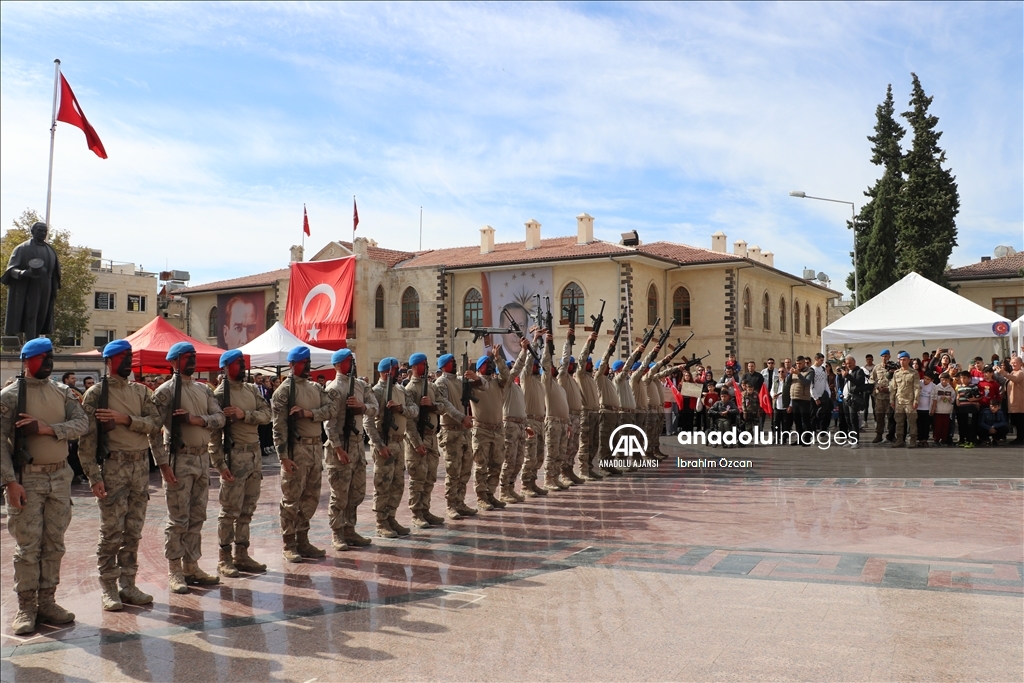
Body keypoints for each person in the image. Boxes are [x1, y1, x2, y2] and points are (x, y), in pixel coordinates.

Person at [1, 338, 88, 634]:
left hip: (60, 477)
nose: (48, 362)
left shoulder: (63, 392)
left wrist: (49, 429)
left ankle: (48, 601)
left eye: (50, 357)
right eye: (41, 357)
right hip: (27, 478)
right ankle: (26, 606)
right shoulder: (11, 396)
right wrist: (10, 482)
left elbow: (82, 424)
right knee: (28, 546)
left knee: (54, 543)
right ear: (27, 361)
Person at [79, 339, 161, 611]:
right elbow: (87, 442)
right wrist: (93, 476)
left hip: (139, 467)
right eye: (123, 357)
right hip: (112, 468)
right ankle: (109, 588)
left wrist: (126, 420)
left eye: (130, 357)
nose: (128, 362)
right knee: (111, 531)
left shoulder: (141, 392)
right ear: (110, 361)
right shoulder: (96, 394)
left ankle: (129, 584)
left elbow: (155, 424)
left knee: (133, 531)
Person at [150, 342, 225, 591]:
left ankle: (192, 565)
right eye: (186, 357)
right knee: (178, 519)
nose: (192, 361)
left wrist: (196, 419)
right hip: (178, 460)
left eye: (193, 356)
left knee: (197, 516)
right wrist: (162, 465)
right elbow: (153, 431)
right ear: (173, 361)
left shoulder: (204, 390)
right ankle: (175, 571)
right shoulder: (166, 392)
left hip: (202, 459)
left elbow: (220, 418)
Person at [210, 349, 272, 577]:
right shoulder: (218, 395)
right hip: (233, 457)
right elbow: (214, 436)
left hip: (254, 455)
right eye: (238, 363)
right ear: (226, 368)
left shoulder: (251, 390)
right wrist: (220, 465)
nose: (243, 367)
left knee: (248, 509)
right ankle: (224, 558)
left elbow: (267, 414)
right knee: (229, 511)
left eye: (243, 362)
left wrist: (244, 414)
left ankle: (242, 554)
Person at [272, 346, 336, 561]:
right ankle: (289, 543)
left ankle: (303, 539)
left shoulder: (316, 388)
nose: (307, 365)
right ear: (292, 365)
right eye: (302, 362)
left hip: (316, 447)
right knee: (292, 498)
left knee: (311, 496)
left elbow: (331, 409)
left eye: (308, 361)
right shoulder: (283, 391)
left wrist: (309, 413)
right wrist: (283, 456)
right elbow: (278, 426)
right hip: (296, 449)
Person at [323, 349, 376, 549]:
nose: (351, 364)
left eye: (351, 360)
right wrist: (337, 448)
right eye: (347, 361)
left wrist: (362, 407)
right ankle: (337, 533)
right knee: (339, 493)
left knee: (356, 492)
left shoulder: (361, 385)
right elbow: (329, 422)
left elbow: (375, 406)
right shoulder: (334, 388)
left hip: (357, 445)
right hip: (341, 446)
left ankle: (350, 529)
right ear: (337, 365)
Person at [365, 357, 420, 538]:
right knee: (382, 485)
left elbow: (414, 411)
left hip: (399, 442)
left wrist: (401, 409)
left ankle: (391, 517)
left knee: (397, 484)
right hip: (385, 443)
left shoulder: (400, 390)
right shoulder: (376, 391)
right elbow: (368, 422)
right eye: (395, 369)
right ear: (384, 372)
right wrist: (379, 445)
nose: (398, 372)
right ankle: (381, 523)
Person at [405, 352, 451, 527]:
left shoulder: (431, 387)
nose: (426, 367)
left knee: (430, 476)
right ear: (415, 367)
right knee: (417, 479)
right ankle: (416, 513)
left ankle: (425, 509)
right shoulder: (409, 389)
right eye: (423, 364)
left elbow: (442, 407)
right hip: (417, 438)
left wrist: (431, 405)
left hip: (432, 437)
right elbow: (409, 422)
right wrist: (417, 443)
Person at [434, 353, 476, 518]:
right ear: (444, 366)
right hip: (451, 431)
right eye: (451, 362)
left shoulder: (459, 381)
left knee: (465, 469)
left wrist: (471, 374)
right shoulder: (441, 382)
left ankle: (460, 501)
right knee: (453, 470)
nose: (453, 363)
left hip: (464, 431)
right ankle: (451, 505)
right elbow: (445, 404)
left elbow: (480, 387)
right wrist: (461, 417)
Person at [2, 221, 61, 339]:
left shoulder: (50, 250)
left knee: (42, 317)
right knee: (30, 316)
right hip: (29, 288)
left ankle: (35, 342)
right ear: (33, 231)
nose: (43, 233)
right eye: (40, 230)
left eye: (45, 231)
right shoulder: (22, 248)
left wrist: (54, 289)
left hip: (46, 288)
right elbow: (11, 269)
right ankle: (30, 345)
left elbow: (54, 273)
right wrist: (23, 273)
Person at [473, 345, 515, 507]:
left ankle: (490, 494)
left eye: (490, 364)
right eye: (485, 364)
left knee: (496, 464)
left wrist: (498, 359)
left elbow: (507, 376)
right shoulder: (475, 382)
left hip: (497, 430)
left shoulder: (498, 383)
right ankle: (481, 497)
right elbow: (477, 381)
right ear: (478, 369)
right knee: (481, 466)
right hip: (481, 430)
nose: (489, 366)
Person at [499, 343, 533, 503]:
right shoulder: (506, 384)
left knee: (518, 461)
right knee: (509, 460)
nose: (514, 371)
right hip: (510, 426)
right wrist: (524, 351)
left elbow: (521, 409)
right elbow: (515, 369)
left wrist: (526, 425)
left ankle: (511, 488)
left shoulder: (516, 387)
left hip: (520, 426)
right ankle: (504, 490)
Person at [541, 331, 573, 490]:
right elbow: (546, 363)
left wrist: (568, 342)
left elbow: (565, 362)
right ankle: (548, 479)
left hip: (562, 423)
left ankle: (556, 477)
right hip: (553, 422)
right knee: (552, 453)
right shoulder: (547, 383)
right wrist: (547, 344)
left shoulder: (559, 385)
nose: (554, 368)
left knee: (561, 453)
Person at [574, 332, 603, 481]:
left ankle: (590, 467)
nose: (591, 365)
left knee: (594, 442)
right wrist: (587, 342)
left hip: (595, 413)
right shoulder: (581, 375)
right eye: (589, 363)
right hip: (586, 413)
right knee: (585, 443)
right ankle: (583, 470)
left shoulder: (591, 378)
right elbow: (581, 360)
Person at [890, 351, 921, 448]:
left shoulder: (914, 373)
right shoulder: (896, 373)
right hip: (899, 401)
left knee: (912, 422)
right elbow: (893, 388)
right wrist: (892, 400)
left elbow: (916, 387)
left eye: (904, 360)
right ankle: (899, 440)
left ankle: (912, 441)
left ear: (908, 360)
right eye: (900, 360)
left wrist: (916, 400)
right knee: (899, 422)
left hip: (910, 402)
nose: (902, 362)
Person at [993, 357, 1024, 445]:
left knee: (1020, 421)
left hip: (1019, 402)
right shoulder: (1013, 373)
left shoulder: (1021, 373)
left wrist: (1002, 372)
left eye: (1015, 362)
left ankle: (1021, 438)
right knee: (1016, 421)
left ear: (1021, 364)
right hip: (1012, 401)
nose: (1013, 364)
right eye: (1012, 363)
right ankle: (1019, 437)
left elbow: (1015, 379)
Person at [840, 356, 867, 447]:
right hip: (845, 398)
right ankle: (851, 439)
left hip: (853, 399)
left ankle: (855, 441)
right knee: (847, 419)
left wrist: (848, 376)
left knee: (853, 419)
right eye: (847, 364)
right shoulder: (848, 371)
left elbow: (859, 382)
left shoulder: (859, 371)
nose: (848, 365)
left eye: (849, 363)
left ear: (854, 362)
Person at [870, 350, 895, 443]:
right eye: (883, 356)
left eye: (886, 356)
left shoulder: (894, 367)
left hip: (890, 397)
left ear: (889, 356)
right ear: (881, 357)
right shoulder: (877, 367)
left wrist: (888, 389)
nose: (885, 358)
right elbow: (871, 380)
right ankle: (879, 435)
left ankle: (891, 435)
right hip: (879, 397)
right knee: (879, 417)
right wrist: (877, 387)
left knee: (891, 418)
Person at [954, 370, 981, 448]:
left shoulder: (973, 386)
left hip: (970, 409)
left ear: (969, 378)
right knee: (962, 425)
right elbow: (958, 396)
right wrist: (957, 401)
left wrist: (974, 400)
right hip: (961, 409)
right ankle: (963, 440)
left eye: (964, 378)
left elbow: (979, 396)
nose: (962, 380)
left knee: (970, 425)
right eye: (961, 378)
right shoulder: (959, 387)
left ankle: (971, 441)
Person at [931, 373, 955, 446]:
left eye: (946, 380)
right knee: (937, 426)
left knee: (945, 426)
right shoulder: (936, 387)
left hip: (947, 411)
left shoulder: (951, 389)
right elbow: (933, 397)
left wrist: (950, 399)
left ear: (948, 380)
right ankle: (936, 439)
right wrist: (940, 398)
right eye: (942, 380)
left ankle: (944, 440)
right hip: (938, 410)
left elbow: (953, 399)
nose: (944, 381)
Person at [916, 373, 936, 447]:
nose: (925, 380)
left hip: (927, 408)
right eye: (925, 378)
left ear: (932, 380)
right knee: (919, 424)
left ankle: (925, 439)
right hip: (918, 408)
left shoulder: (933, 386)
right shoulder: (919, 383)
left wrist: (933, 409)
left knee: (926, 425)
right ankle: (920, 439)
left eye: (928, 379)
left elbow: (934, 399)